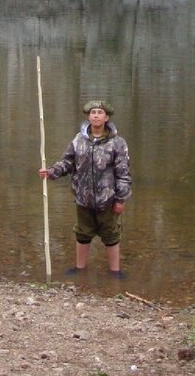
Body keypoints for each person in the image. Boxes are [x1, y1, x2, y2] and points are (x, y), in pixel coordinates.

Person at [39, 98, 131, 277]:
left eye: (99, 113)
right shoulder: (78, 140)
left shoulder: (118, 143)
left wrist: (121, 199)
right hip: (83, 198)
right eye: (93, 113)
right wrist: (51, 172)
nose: (96, 116)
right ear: (88, 117)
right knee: (82, 234)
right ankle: (80, 269)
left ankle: (115, 272)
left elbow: (123, 174)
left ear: (106, 118)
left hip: (108, 200)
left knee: (111, 236)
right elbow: (68, 162)